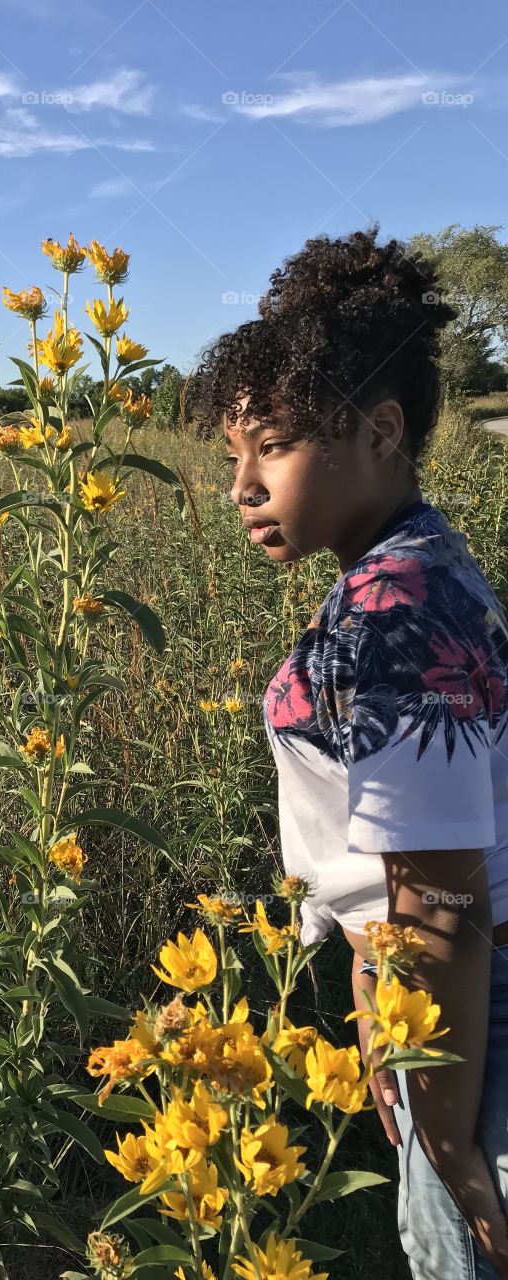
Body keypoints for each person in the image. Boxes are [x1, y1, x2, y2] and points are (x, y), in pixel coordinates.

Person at [191, 223, 508, 1280]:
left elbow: (444, 901)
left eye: (271, 444)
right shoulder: (418, 560)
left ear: (380, 429)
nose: (241, 484)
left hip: (469, 1022)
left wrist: (449, 1131)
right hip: (441, 1006)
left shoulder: (390, 616)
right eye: (232, 452)